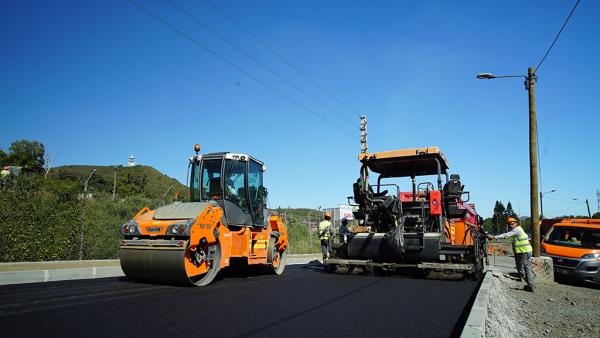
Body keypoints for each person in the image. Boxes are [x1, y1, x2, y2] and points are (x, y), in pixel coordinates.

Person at [488, 217, 535, 292]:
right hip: (526, 251)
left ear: (516, 223)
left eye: (512, 223)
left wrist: (494, 237)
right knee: (527, 267)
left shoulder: (517, 230)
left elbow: (506, 235)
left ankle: (530, 284)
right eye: (509, 224)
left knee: (520, 269)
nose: (511, 225)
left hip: (523, 252)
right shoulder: (518, 231)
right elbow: (508, 237)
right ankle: (530, 283)